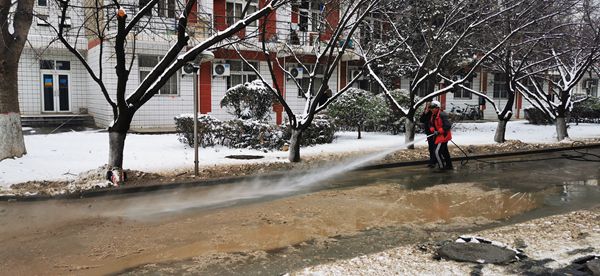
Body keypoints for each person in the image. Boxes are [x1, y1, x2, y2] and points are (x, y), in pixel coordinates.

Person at [429, 100, 453, 170]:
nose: (431, 109)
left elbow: (448, 126)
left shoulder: (442, 115)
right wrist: (432, 129)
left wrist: (439, 132)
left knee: (437, 152)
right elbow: (430, 124)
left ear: (437, 108)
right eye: (431, 108)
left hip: (443, 136)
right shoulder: (433, 115)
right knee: (444, 152)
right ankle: (449, 166)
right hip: (438, 135)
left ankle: (441, 167)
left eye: (433, 108)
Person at [419, 101, 436, 168]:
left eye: (429, 106)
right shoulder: (426, 113)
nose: (428, 107)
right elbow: (421, 120)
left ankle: (433, 162)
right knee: (431, 147)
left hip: (434, 133)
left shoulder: (433, 113)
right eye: (427, 106)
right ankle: (432, 161)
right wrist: (425, 113)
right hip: (428, 133)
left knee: (434, 147)